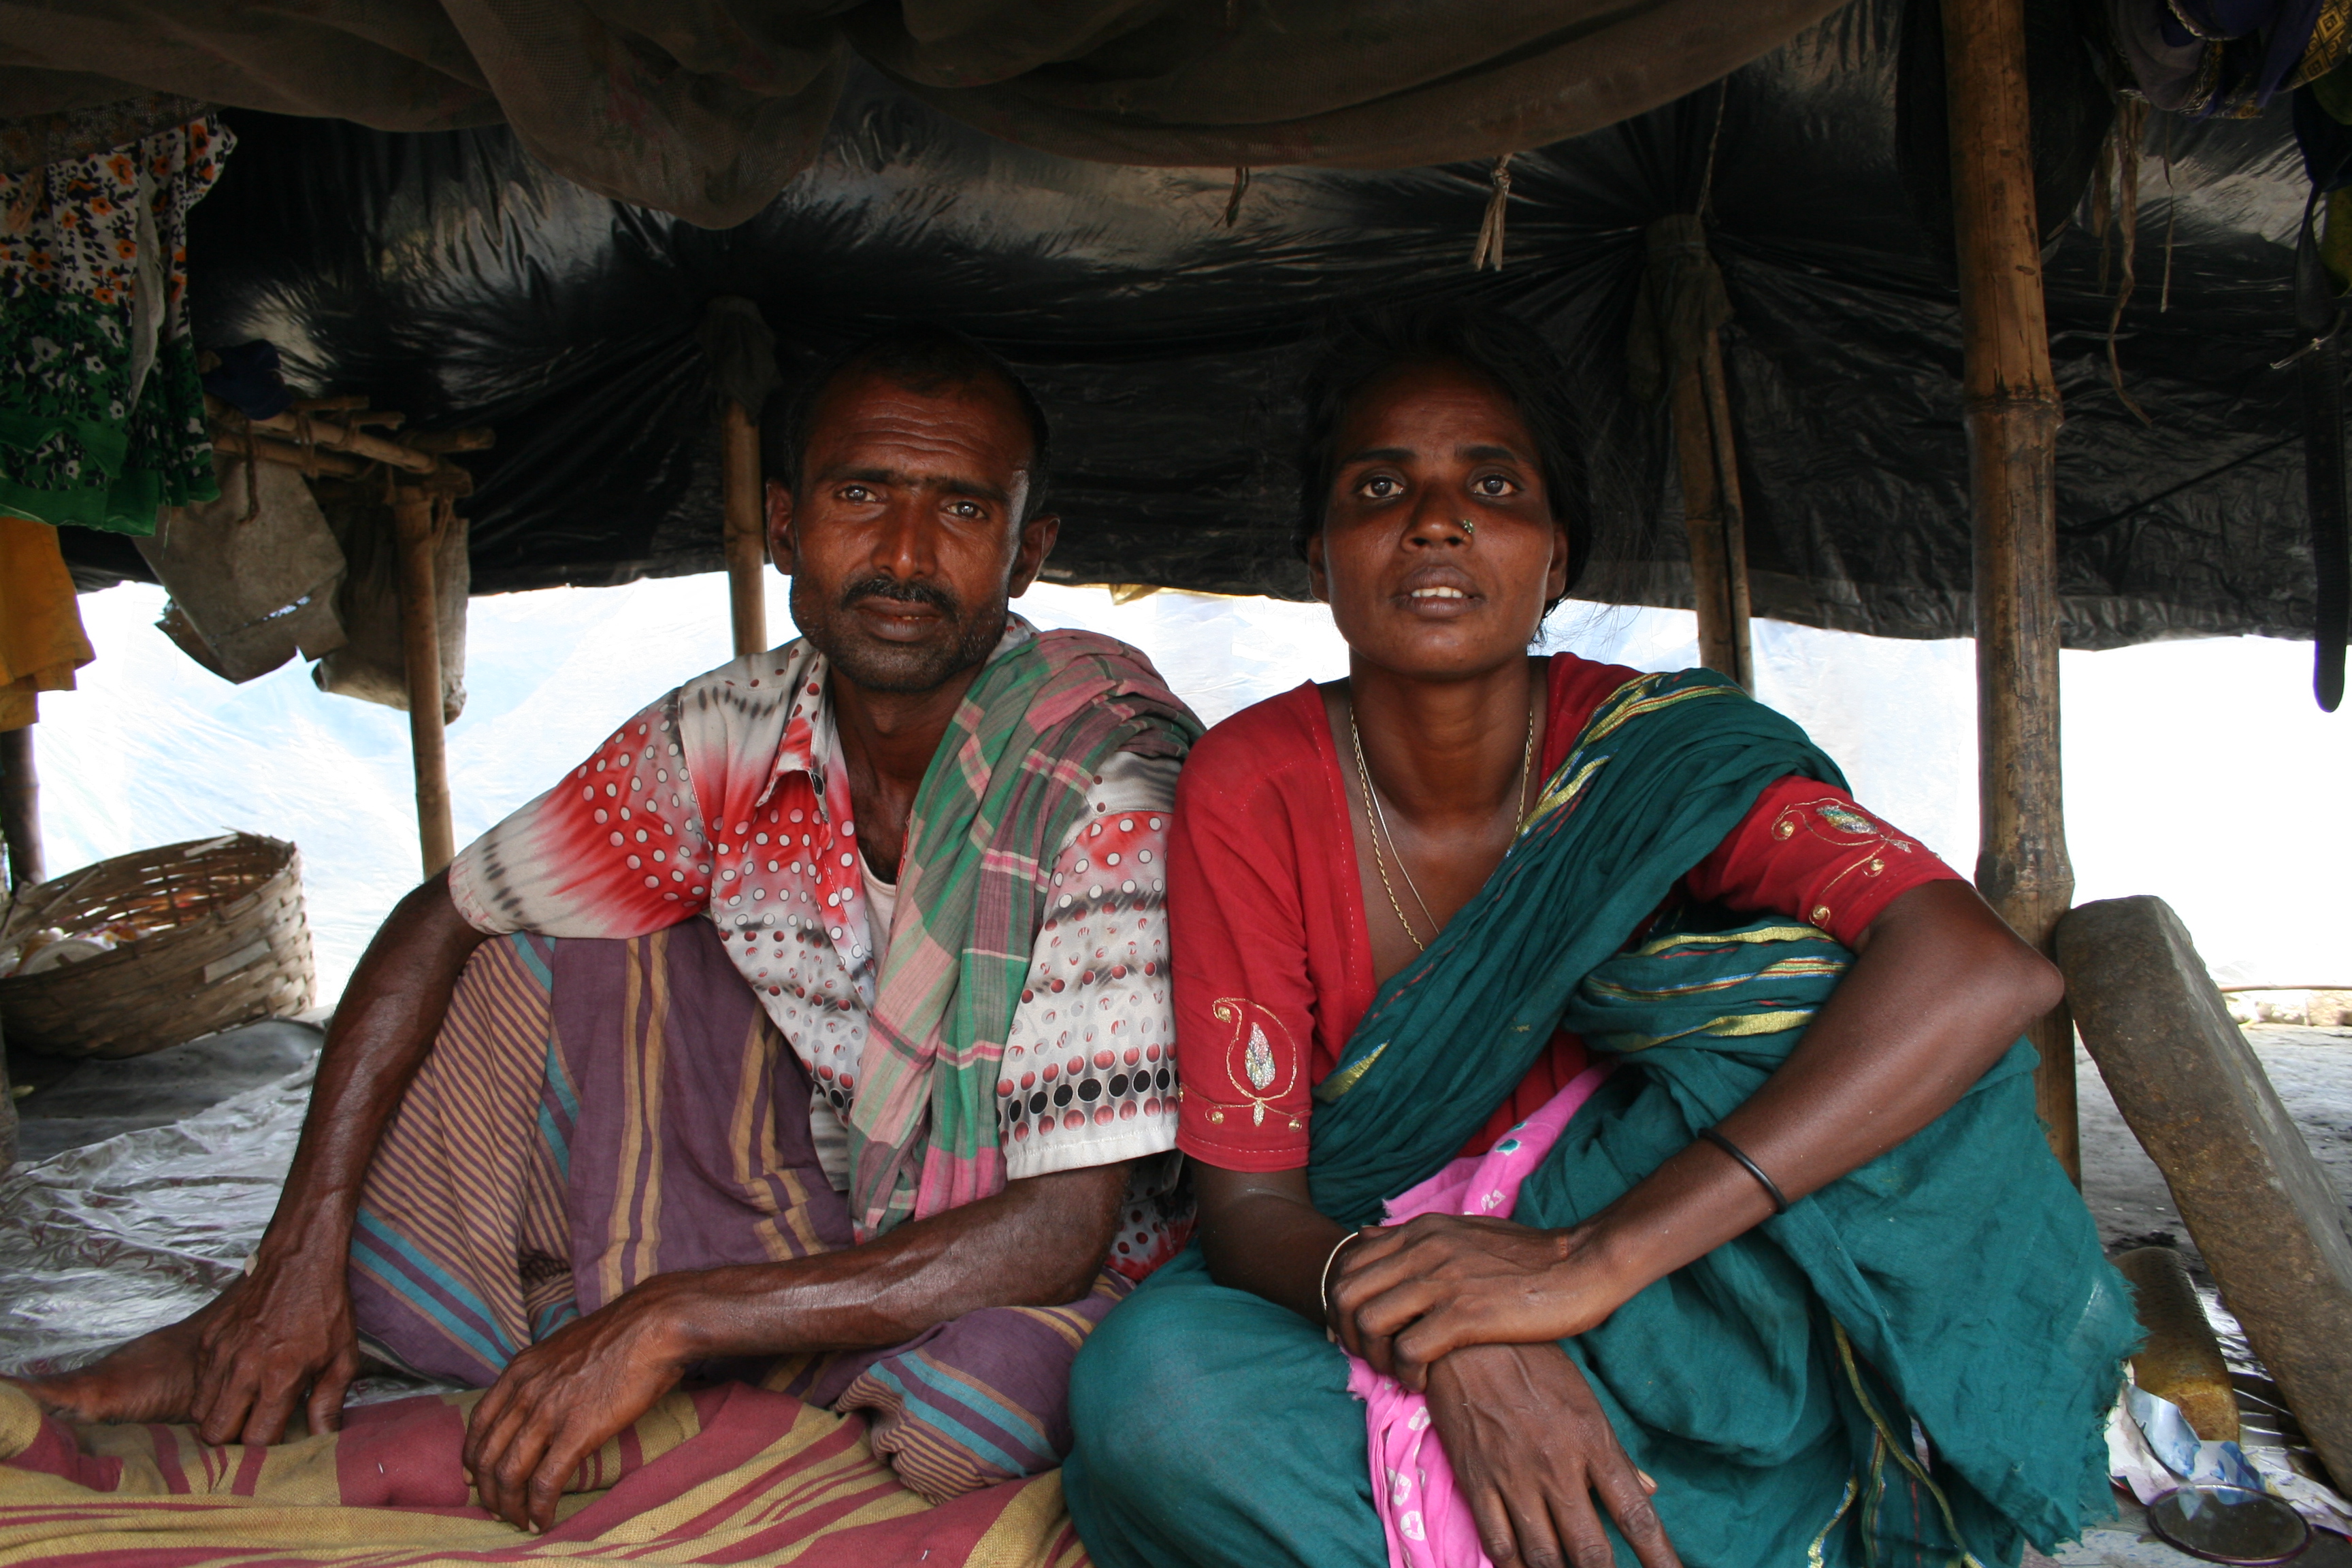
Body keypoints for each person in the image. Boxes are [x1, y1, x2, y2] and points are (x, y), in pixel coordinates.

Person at [14, 324, 1200, 1533]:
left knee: (966, 1422)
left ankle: (667, 1359)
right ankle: (289, 1322)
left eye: (959, 509)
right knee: (512, 952)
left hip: (1063, 1265)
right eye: (860, 496)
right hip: (847, 1201)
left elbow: (1061, 1234)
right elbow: (442, 913)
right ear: (787, 526)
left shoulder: (1099, 779)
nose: (902, 555)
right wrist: (295, 1255)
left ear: (1026, 549)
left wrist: (670, 1316)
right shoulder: (736, 732)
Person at [1062, 308, 2134, 1568]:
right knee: (1159, 1399)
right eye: (1380, 485)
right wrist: (1460, 1336)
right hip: (1371, 1275)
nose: (1438, 518)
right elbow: (1251, 1209)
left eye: (1493, 485)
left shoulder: (1656, 760)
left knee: (1814, 997)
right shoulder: (1256, 780)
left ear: (1557, 557)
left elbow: (1976, 966)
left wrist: (1586, 1259)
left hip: (1661, 1281)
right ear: (1321, 557)